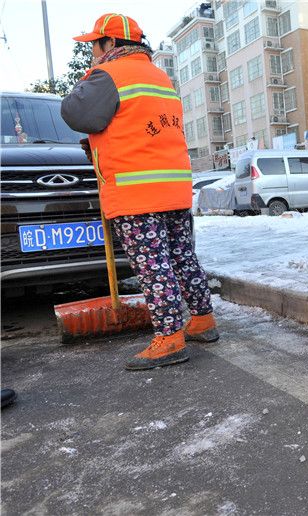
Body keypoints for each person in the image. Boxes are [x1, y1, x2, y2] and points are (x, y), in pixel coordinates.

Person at [61, 14, 218, 371]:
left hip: (136, 191)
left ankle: (169, 338)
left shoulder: (108, 75)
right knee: (181, 256)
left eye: (94, 46)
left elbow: (75, 113)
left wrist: (90, 77)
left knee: (152, 264)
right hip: (173, 186)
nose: (92, 53)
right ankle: (202, 319)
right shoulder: (160, 76)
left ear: (111, 44)